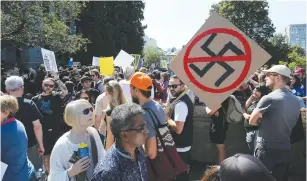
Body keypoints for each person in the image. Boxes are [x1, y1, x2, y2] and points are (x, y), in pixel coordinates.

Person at [249, 65, 301, 181]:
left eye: (268, 75)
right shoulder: (297, 100)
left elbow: (252, 121)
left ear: (278, 77)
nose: (265, 78)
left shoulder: (269, 98)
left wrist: (260, 120)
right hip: (285, 148)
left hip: (266, 149)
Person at [48, 100, 105, 181]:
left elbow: (102, 158)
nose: (91, 113)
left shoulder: (93, 133)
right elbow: (53, 177)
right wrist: (71, 172)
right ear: (73, 117)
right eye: (86, 111)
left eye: (91, 109)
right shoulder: (62, 145)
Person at [91, 104, 148, 181]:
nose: (146, 130)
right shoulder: (107, 172)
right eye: (141, 128)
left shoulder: (138, 148)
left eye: (144, 125)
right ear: (124, 134)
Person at [5, 76, 45, 171]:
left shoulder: (2, 105)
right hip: (29, 145)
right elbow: (37, 126)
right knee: (34, 172)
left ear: (7, 89)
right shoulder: (28, 103)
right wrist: (41, 145)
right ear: (22, 88)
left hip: (7, 146)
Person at [32, 72, 68, 174]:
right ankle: (50, 175)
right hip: (43, 132)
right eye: (46, 85)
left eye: (51, 86)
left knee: (59, 155)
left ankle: (59, 174)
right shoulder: (35, 99)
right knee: (46, 157)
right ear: (42, 84)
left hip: (57, 130)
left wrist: (57, 80)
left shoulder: (56, 96)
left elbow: (65, 92)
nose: (48, 87)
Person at [130, 72, 165, 160]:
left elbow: (151, 153)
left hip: (155, 167)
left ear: (137, 91)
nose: (129, 92)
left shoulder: (144, 114)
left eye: (130, 88)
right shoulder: (157, 105)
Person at [1, 95, 36, 181]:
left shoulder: (3, 131)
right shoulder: (18, 123)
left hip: (13, 177)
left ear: (6, 113)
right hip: (27, 173)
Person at [166, 75, 194, 181]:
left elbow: (178, 129)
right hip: (183, 144)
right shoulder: (181, 99)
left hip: (180, 145)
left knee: (180, 175)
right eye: (169, 86)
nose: (171, 89)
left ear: (182, 86)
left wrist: (167, 118)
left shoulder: (181, 104)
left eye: (174, 86)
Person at [243, 84, 270, 153]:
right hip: (250, 131)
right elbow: (246, 107)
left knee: (255, 153)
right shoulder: (255, 101)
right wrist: (252, 97)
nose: (254, 92)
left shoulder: (262, 102)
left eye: (257, 91)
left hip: (256, 131)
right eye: (254, 90)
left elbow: (258, 116)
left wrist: (248, 116)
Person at [104, 80, 127, 149]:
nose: (105, 94)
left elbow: (110, 135)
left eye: (106, 93)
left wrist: (106, 153)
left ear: (111, 94)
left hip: (116, 147)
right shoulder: (127, 107)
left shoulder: (110, 112)